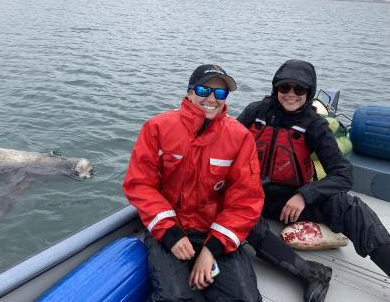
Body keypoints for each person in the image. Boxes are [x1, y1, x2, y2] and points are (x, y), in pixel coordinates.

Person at [238, 59, 390, 302]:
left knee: (350, 207)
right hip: (252, 194)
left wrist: (304, 195)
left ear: (309, 93)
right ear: (275, 88)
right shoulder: (255, 112)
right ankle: (310, 273)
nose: (291, 94)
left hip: (292, 197)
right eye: (284, 87)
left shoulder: (314, 124)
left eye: (299, 89)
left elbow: (342, 174)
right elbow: (225, 147)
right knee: (239, 219)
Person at [123, 64, 265, 301]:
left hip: (214, 231)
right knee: (175, 298)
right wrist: (170, 233)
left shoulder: (240, 137)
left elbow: (245, 200)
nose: (211, 98)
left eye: (220, 93)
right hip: (170, 228)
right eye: (203, 90)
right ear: (189, 92)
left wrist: (212, 249)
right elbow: (140, 184)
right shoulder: (157, 127)